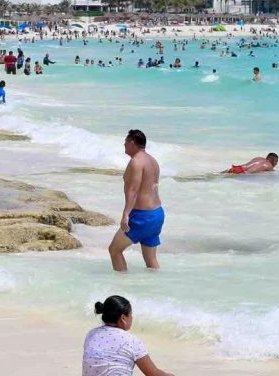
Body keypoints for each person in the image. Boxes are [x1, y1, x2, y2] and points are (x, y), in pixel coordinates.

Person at [108, 130, 163, 272]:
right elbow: (153, 187)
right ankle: (158, 284)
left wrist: (126, 214)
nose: (124, 144)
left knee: (114, 250)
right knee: (151, 260)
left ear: (132, 143)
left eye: (125, 141)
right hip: (157, 214)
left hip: (142, 216)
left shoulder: (136, 162)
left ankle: (122, 283)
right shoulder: (152, 161)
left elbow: (133, 190)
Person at [83, 295, 175, 376]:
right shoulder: (131, 340)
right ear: (123, 318)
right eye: (130, 314)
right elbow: (153, 374)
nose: (132, 317)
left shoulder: (91, 334)